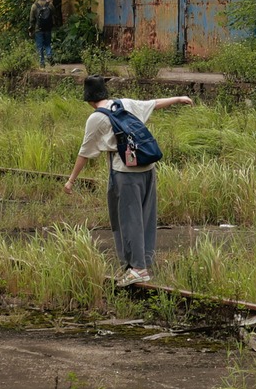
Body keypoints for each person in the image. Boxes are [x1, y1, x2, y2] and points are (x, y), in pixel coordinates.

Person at [62, 74, 195, 285]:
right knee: (146, 218)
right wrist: (178, 98)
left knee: (128, 220)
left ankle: (138, 268)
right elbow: (154, 103)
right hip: (148, 168)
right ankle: (143, 263)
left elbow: (84, 153)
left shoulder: (96, 118)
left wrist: (71, 180)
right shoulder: (125, 104)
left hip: (125, 173)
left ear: (89, 100)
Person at [31, 0, 57, 66]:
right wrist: (49, 2)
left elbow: (32, 19)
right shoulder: (49, 4)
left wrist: (31, 29)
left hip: (38, 28)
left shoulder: (34, 5)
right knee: (48, 44)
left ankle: (42, 62)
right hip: (48, 27)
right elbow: (54, 12)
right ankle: (49, 55)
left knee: (40, 46)